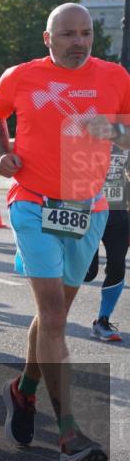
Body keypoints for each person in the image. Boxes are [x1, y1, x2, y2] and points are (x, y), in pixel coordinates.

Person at [0, 2, 130, 461]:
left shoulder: (115, 77)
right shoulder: (21, 76)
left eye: (86, 33)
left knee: (55, 318)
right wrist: (3, 152)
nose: (79, 41)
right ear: (49, 38)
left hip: (89, 209)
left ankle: (22, 391)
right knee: (51, 314)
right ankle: (69, 432)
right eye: (68, 34)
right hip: (33, 202)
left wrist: (105, 128)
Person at [82, 142, 128, 343]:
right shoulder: (84, 135)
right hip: (87, 213)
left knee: (118, 265)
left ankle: (102, 321)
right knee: (87, 273)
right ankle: (51, 313)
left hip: (117, 215)